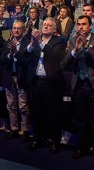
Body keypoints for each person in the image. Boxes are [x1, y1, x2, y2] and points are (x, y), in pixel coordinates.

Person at [63, 15, 94, 164]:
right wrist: (75, 50)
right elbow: (65, 63)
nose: (81, 27)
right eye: (79, 24)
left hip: (93, 85)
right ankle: (81, 148)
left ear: (90, 26)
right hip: (78, 84)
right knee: (80, 119)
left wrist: (87, 47)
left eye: (84, 24)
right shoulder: (72, 40)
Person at [25, 17, 66, 153]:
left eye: (49, 25)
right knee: (36, 112)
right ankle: (37, 138)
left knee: (53, 113)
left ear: (55, 30)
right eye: (45, 25)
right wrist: (32, 43)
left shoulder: (59, 41)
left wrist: (40, 42)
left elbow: (54, 56)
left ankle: (55, 141)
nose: (46, 27)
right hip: (36, 81)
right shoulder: (36, 40)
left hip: (51, 82)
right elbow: (26, 55)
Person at [0, 20, 31, 141]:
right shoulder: (8, 42)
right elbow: (2, 60)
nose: (16, 30)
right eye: (14, 28)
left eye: (19, 28)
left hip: (21, 77)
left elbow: (26, 62)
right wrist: (10, 55)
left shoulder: (27, 43)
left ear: (23, 31)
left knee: (23, 106)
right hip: (9, 77)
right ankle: (14, 129)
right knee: (11, 105)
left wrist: (16, 52)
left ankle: (26, 130)